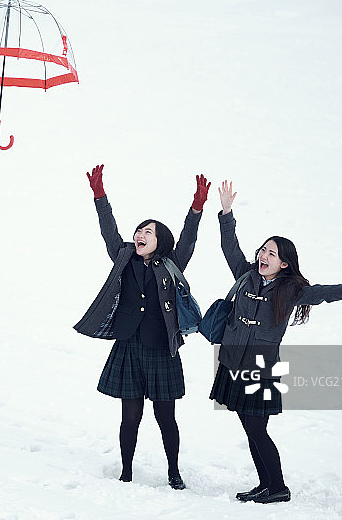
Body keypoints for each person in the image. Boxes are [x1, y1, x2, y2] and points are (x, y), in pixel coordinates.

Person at [210, 180, 342, 504]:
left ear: (284, 264)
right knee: (251, 428)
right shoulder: (246, 274)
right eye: (263, 250)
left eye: (272, 253)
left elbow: (324, 293)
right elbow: (229, 246)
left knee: (256, 429)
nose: (264, 255)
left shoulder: (290, 290)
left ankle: (277, 487)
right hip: (233, 360)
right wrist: (226, 213)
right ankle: (266, 485)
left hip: (261, 368)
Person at [74, 164, 211, 489]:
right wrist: (99, 196)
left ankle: (174, 472)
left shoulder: (171, 263)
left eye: (148, 232)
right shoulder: (124, 256)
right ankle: (126, 471)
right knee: (129, 416)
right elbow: (109, 230)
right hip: (128, 346)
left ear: (160, 241)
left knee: (166, 418)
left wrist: (196, 209)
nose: (140, 235)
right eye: (139, 230)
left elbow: (189, 239)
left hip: (162, 348)